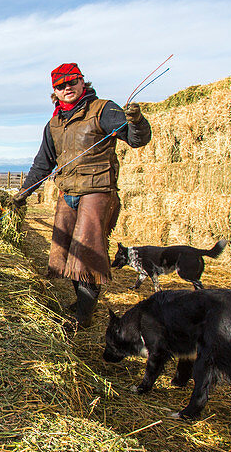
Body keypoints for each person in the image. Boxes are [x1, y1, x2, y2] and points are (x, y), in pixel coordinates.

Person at [13, 62, 151, 330]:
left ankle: (82, 318)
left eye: (72, 82)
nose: (68, 88)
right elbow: (43, 163)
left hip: (97, 191)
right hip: (68, 192)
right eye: (61, 85)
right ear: (55, 91)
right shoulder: (54, 123)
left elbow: (136, 140)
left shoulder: (103, 109)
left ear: (82, 82)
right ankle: (82, 303)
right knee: (65, 251)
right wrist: (23, 193)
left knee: (86, 255)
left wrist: (137, 122)